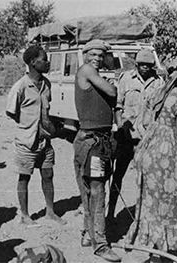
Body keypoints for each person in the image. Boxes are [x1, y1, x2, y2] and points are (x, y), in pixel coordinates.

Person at [124, 57, 177, 262]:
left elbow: (144, 123)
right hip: (171, 153)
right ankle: (170, 251)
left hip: (150, 152)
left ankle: (155, 252)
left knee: (152, 204)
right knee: (176, 201)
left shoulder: (157, 93)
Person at [6, 45, 66, 227]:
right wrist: (28, 126)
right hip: (27, 142)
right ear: (33, 62)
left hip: (45, 141)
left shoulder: (47, 84)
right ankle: (24, 216)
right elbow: (11, 112)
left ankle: (50, 212)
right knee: (24, 177)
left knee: (48, 174)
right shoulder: (20, 86)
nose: (48, 63)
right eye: (44, 60)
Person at [73, 39, 121, 262]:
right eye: (93, 54)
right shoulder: (87, 70)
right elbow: (111, 91)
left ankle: (87, 234)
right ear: (85, 55)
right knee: (97, 192)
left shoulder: (91, 72)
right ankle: (100, 244)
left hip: (92, 140)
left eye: (101, 55)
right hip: (93, 142)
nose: (98, 58)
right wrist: (114, 87)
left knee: (90, 191)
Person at [108, 49, 165, 224]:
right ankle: (110, 214)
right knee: (118, 176)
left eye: (148, 65)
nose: (145, 68)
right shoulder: (126, 78)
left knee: (147, 180)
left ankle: (143, 218)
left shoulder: (159, 83)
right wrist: (119, 127)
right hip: (126, 137)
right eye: (142, 65)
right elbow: (118, 106)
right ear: (136, 65)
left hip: (147, 140)